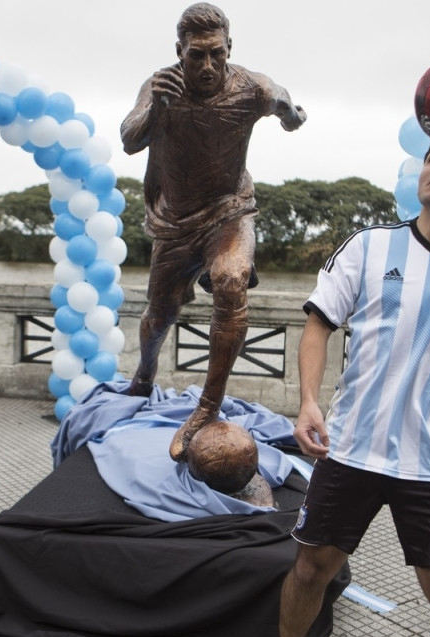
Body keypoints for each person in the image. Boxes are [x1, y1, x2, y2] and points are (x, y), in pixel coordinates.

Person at [246, 140, 430, 637]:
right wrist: (308, 401)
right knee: (310, 568)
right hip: (351, 447)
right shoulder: (368, 248)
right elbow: (319, 324)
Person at [120, 2, 307, 460]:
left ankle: (208, 406)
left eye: (216, 54)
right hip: (175, 222)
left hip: (229, 212)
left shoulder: (253, 88)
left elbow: (287, 104)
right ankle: (144, 376)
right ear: (179, 51)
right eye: (195, 55)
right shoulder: (159, 84)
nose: (206, 66)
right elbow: (128, 139)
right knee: (159, 314)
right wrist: (157, 106)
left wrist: (291, 115)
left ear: (229, 49)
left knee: (229, 280)